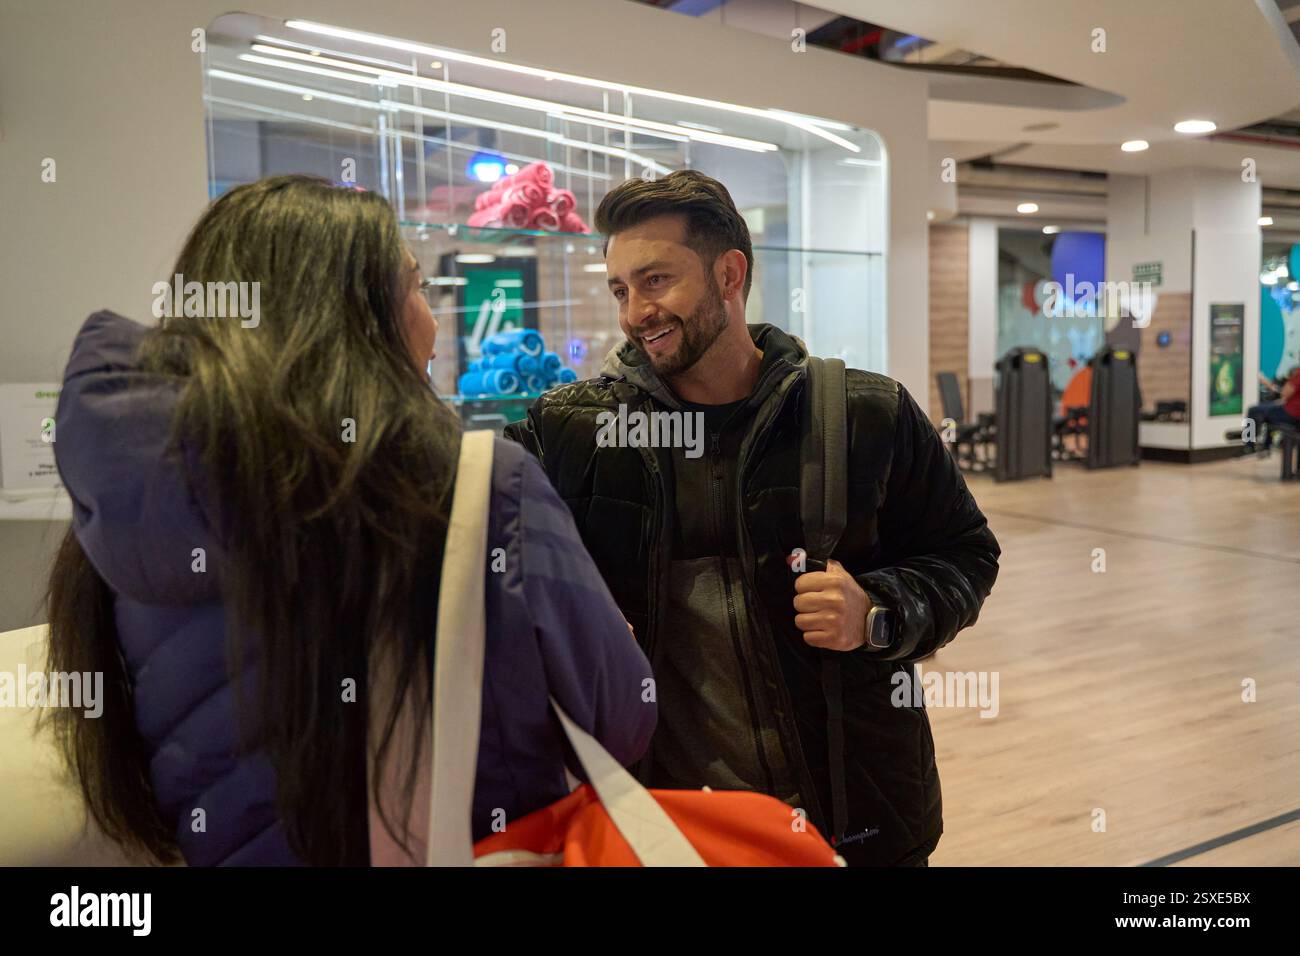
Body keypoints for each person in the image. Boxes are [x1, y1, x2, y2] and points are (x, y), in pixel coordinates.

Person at [44, 174, 655, 867]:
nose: (431, 323)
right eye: (418, 287)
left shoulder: (123, 508)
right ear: (361, 317)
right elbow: (620, 719)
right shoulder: (479, 486)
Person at [505, 170, 1000, 867]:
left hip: (854, 819)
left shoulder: (866, 413)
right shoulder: (571, 433)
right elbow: (486, 566)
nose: (634, 311)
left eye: (655, 281)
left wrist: (878, 611)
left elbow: (967, 554)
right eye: (620, 288)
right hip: (673, 830)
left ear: (729, 273)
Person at [1244, 365, 1300, 453]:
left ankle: (1248, 447)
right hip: (1295, 414)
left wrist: (1268, 384)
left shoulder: (1298, 374)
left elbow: (1284, 393)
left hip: (1291, 414)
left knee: (1253, 410)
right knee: (1270, 411)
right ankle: (1266, 447)